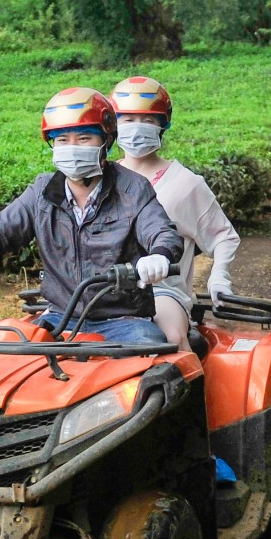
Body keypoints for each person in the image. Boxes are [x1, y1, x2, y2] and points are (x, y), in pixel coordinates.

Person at [0, 86, 182, 346]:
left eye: (84, 138)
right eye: (62, 140)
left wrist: (159, 255)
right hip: (59, 317)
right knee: (4, 353)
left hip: (122, 320)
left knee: (150, 353)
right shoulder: (42, 192)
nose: (72, 147)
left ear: (106, 142)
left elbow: (160, 229)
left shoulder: (132, 188)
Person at [109, 75, 242, 351]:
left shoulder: (186, 184)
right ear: (113, 125)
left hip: (161, 292)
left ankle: (191, 392)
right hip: (104, 289)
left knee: (171, 340)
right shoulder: (101, 179)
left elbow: (223, 236)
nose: (137, 128)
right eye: (128, 120)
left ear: (162, 125)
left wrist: (219, 275)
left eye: (147, 120)